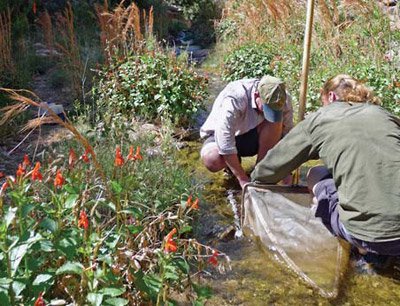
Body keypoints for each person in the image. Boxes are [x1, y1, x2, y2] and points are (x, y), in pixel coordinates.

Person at [251, 74, 400, 256]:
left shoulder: (322, 118)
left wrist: (256, 179)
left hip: (367, 235)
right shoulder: (385, 116)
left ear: (331, 96)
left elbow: (273, 166)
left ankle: (363, 248)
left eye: (323, 100)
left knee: (315, 173)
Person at [200, 75, 293, 188]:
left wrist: (286, 169)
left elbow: (286, 137)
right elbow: (224, 142)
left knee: (276, 122)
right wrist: (243, 179)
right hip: (221, 138)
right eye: (266, 109)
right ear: (256, 95)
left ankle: (261, 172)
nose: (267, 114)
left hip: (255, 137)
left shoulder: (282, 97)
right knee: (212, 160)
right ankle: (231, 166)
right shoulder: (235, 97)